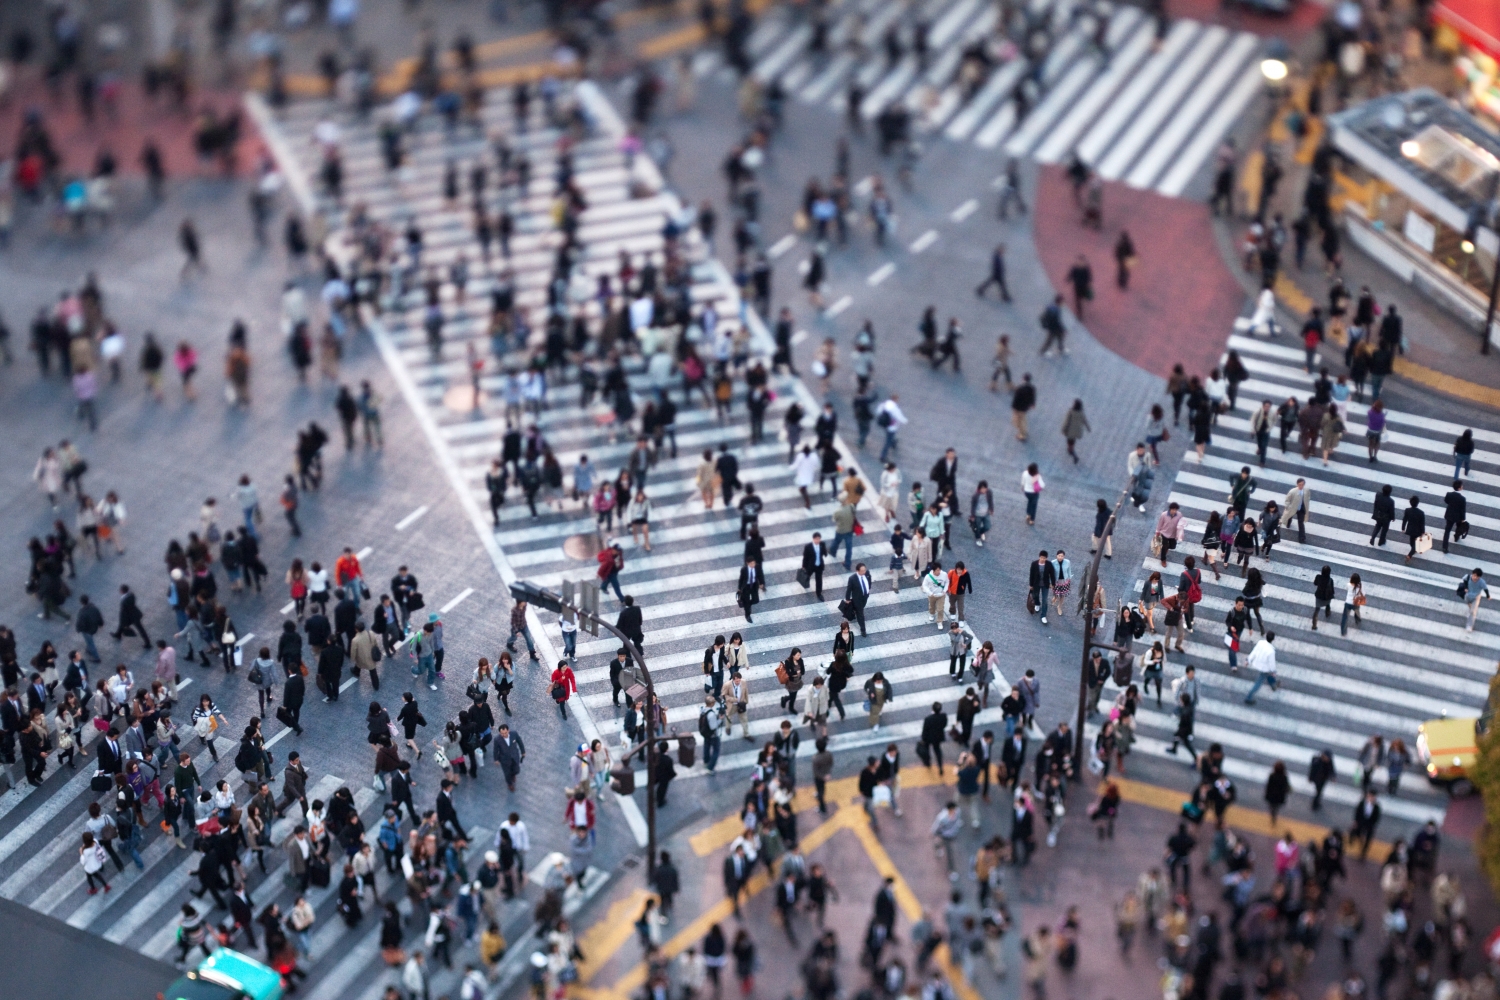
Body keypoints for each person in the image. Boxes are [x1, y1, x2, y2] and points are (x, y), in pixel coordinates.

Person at [1401, 496, 1427, 563]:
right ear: (1417, 503)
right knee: (1416, 544)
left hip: (1410, 529)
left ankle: (1413, 551)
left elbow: (1405, 520)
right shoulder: (1421, 513)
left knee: (1412, 542)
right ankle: (1410, 555)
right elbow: (1422, 523)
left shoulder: (1407, 510)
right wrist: (1423, 531)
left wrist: (1403, 528)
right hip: (1418, 530)